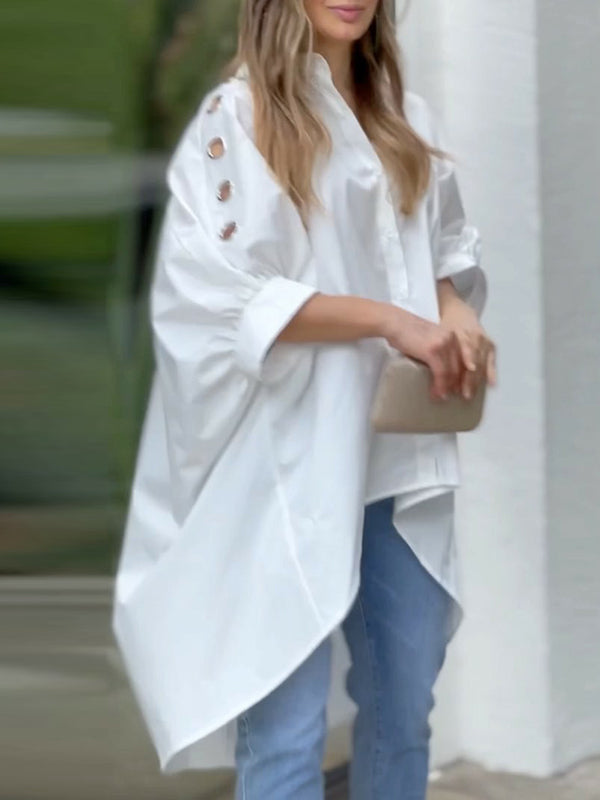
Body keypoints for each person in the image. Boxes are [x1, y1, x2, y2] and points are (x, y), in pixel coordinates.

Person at [112, 1, 496, 798]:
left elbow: (440, 258)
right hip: (284, 467)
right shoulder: (235, 121)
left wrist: (455, 318)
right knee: (286, 734)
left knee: (404, 706)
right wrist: (390, 321)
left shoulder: (404, 119)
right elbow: (225, 300)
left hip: (395, 459)